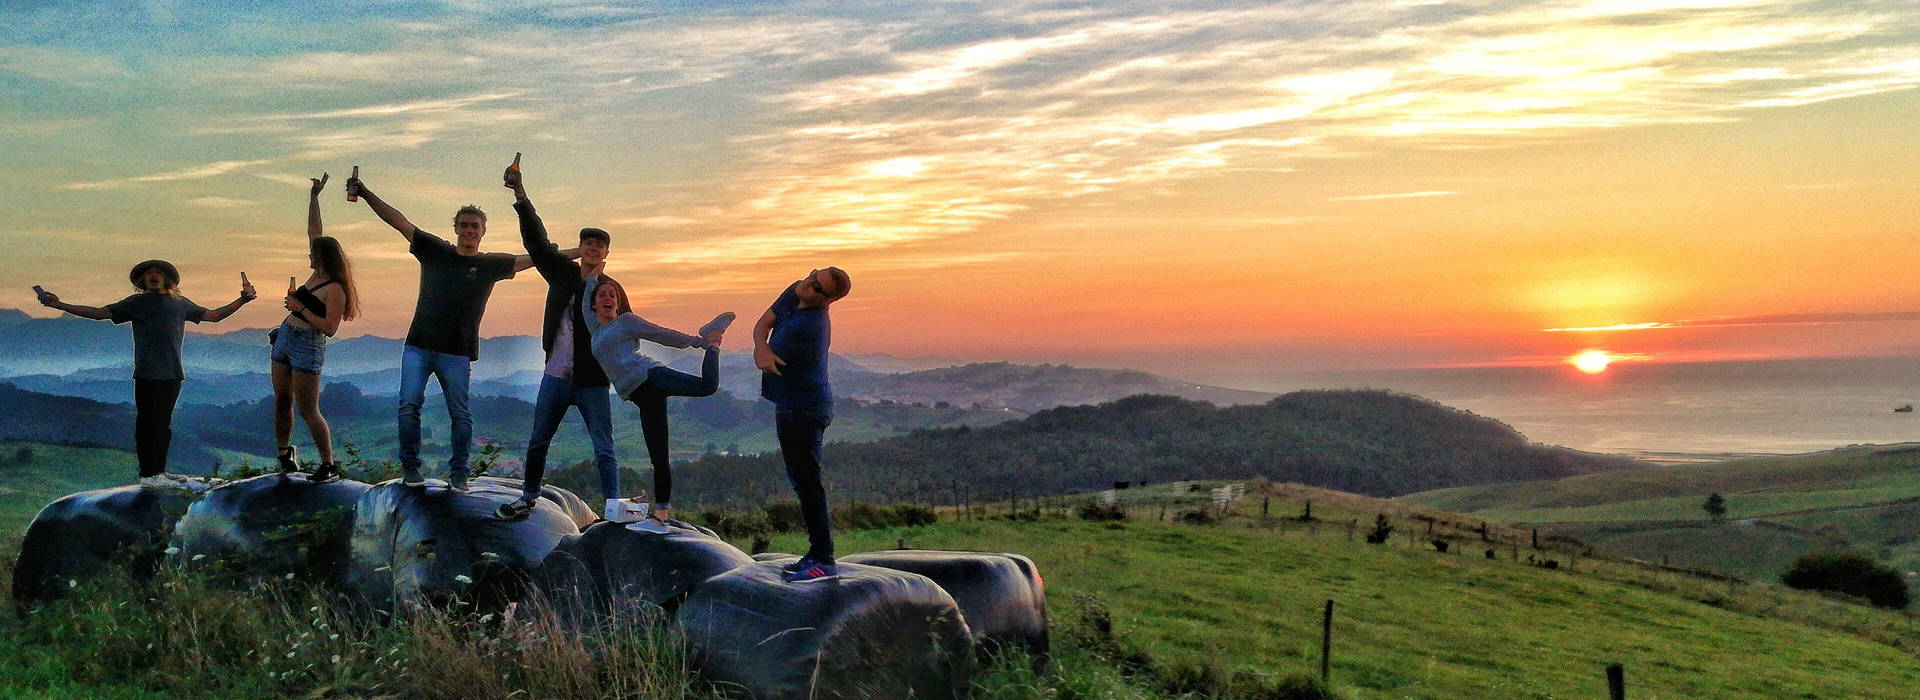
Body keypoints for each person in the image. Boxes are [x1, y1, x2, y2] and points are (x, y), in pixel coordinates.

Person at [344, 169, 554, 490]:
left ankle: (459, 472)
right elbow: (398, 221)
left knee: (460, 413)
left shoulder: (488, 264)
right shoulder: (435, 250)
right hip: (418, 346)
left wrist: (579, 253)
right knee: (408, 406)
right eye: (464, 225)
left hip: (456, 352)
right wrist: (366, 192)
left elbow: (536, 258)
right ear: (455, 228)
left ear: (483, 231)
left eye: (475, 226)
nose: (469, 230)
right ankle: (411, 468)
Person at [500, 277, 731, 527]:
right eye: (603, 296)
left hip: (652, 377)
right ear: (593, 305)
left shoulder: (626, 322)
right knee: (659, 456)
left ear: (619, 304)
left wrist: (698, 342)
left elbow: (660, 333)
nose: (608, 298)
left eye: (613, 296)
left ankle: (712, 342)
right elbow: (588, 289)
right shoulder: (594, 329)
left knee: (707, 386)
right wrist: (594, 274)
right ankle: (661, 514)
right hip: (641, 395)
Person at [35, 260, 256, 488]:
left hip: (172, 373)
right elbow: (99, 313)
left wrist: (242, 300)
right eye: (148, 273)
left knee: (163, 424)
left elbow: (214, 316)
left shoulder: (180, 304)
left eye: (158, 272)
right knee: (146, 424)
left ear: (167, 278)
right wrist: (60, 305)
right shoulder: (136, 303)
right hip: (146, 373)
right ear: (142, 281)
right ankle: (148, 473)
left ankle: (158, 472)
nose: (153, 275)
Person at [498, 156, 627, 520]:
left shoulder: (611, 290)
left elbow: (627, 333)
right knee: (539, 441)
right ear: (581, 248)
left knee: (605, 448)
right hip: (556, 374)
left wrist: (632, 376)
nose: (593, 248)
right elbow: (537, 244)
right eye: (587, 243)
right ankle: (528, 497)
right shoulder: (562, 274)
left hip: (594, 383)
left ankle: (613, 509)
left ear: (606, 253)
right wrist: (521, 196)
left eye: (599, 245)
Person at [753, 267, 851, 582]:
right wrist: (760, 344)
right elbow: (762, 325)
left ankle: (824, 559)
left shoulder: (807, 328)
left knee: (809, 486)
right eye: (812, 274)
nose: (808, 283)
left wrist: (762, 348)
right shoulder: (799, 289)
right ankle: (816, 553)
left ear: (828, 300)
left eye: (817, 286)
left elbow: (765, 360)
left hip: (804, 410)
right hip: (793, 405)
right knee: (803, 483)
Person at [271, 173, 360, 483]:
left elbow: (329, 328)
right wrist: (314, 196)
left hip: (307, 342)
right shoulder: (316, 275)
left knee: (309, 408)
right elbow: (314, 230)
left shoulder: (335, 287)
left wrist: (301, 308)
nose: (309, 254)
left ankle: (328, 464)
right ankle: (285, 453)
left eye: (313, 252)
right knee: (282, 400)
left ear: (322, 257)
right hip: (285, 336)